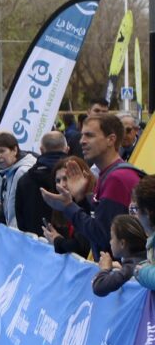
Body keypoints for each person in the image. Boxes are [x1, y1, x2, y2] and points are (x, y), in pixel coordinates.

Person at [41, 113, 142, 257]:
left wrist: (69, 206)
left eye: (89, 135)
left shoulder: (117, 178)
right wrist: (81, 199)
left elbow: (104, 237)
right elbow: (99, 225)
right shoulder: (108, 174)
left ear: (111, 139)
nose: (82, 141)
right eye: (82, 135)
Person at [91, 215, 148, 297]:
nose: (110, 242)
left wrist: (105, 269)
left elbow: (99, 287)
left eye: (112, 237)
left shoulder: (132, 268)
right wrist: (121, 269)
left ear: (122, 243)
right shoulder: (143, 258)